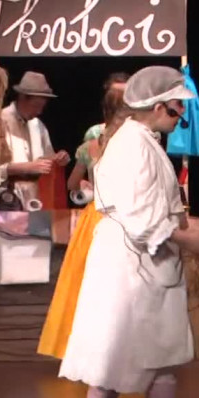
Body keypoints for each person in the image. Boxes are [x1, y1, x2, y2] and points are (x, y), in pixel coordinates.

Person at [58, 66, 199, 398]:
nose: (182, 115)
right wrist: (187, 238)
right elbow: (138, 216)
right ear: (157, 106)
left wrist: (192, 225)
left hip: (137, 262)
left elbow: (153, 205)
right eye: (176, 108)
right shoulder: (133, 146)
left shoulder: (141, 141)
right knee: (116, 364)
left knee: (147, 362)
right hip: (131, 266)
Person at [37, 89, 128, 361]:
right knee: (110, 285)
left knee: (91, 285)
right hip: (115, 216)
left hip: (99, 216)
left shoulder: (93, 146)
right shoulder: (126, 144)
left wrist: (87, 184)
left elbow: (71, 184)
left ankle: (92, 347)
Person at [0, 71, 71, 206]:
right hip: (7, 199)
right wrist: (25, 168)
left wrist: (58, 159)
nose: (39, 112)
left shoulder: (38, 125)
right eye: (36, 106)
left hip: (37, 200)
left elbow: (47, 159)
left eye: (42, 107)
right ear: (23, 98)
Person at [82, 72, 131, 142]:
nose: (121, 101)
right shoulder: (95, 133)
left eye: (125, 95)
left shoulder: (142, 131)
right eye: (114, 95)